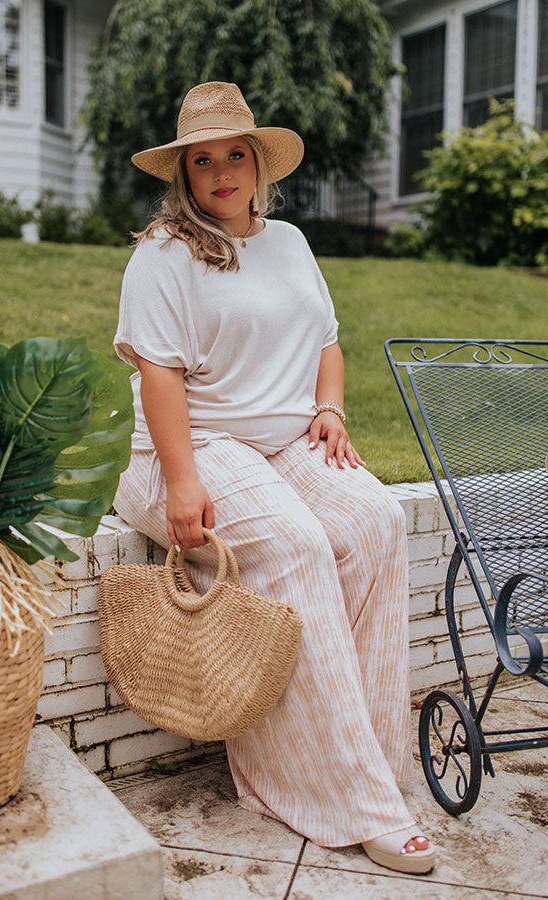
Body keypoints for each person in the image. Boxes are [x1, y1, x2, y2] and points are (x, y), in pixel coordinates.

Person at [113, 81, 436, 874]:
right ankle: (349, 800)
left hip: (287, 440)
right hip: (189, 447)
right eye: (203, 160)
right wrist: (184, 483)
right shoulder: (163, 254)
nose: (222, 171)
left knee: (374, 523)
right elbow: (159, 377)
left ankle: (366, 763)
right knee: (295, 545)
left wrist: (331, 408)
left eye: (235, 154)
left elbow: (327, 340)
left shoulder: (288, 241)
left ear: (258, 164)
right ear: (183, 174)